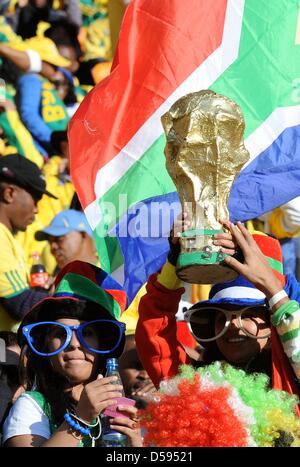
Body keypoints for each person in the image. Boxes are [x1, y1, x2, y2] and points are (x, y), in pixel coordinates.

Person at [135, 220, 300, 409]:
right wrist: (174, 262)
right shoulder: (194, 385)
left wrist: (270, 286)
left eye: (247, 315)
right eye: (222, 317)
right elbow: (154, 333)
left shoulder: (291, 380)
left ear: (274, 323)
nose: (233, 325)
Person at [2, 260, 143, 447]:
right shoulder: (31, 406)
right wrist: (81, 419)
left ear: (103, 347)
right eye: (61, 334)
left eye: (87, 333)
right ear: (46, 348)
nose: (75, 344)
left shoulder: (118, 407)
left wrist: (135, 445)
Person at [0, 154, 57, 332]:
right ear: (9, 194)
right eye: (36, 199)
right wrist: (65, 295)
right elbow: (20, 304)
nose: (37, 210)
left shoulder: (7, 236)